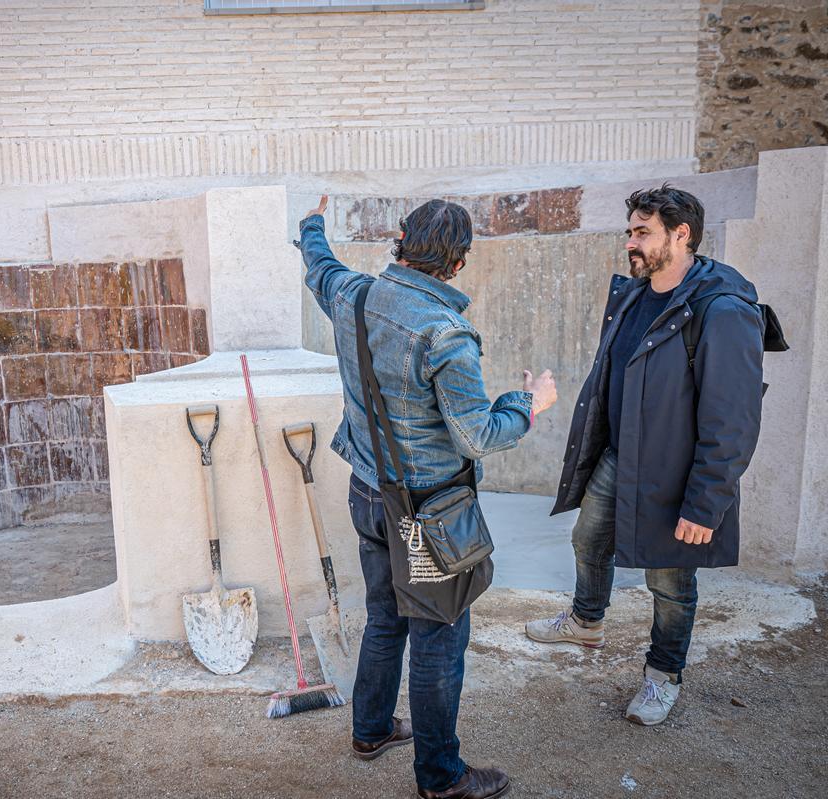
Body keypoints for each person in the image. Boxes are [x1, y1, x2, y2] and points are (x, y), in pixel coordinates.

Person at [297, 194, 557, 799]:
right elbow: (479, 435)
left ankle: (370, 730)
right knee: (439, 639)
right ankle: (441, 778)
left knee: (387, 615)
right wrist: (531, 403)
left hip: (369, 493)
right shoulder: (447, 334)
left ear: (401, 242)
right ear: (459, 263)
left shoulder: (352, 295)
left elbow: (318, 264)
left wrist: (312, 223)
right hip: (429, 517)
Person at [525, 184, 766, 726]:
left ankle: (662, 676)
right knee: (588, 538)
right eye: (630, 231)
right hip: (621, 456)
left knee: (670, 580)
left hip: (677, 475)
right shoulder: (636, 293)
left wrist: (706, 504)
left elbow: (733, 419)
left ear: (682, 235)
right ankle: (586, 622)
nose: (631, 243)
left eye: (642, 233)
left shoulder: (721, 309)